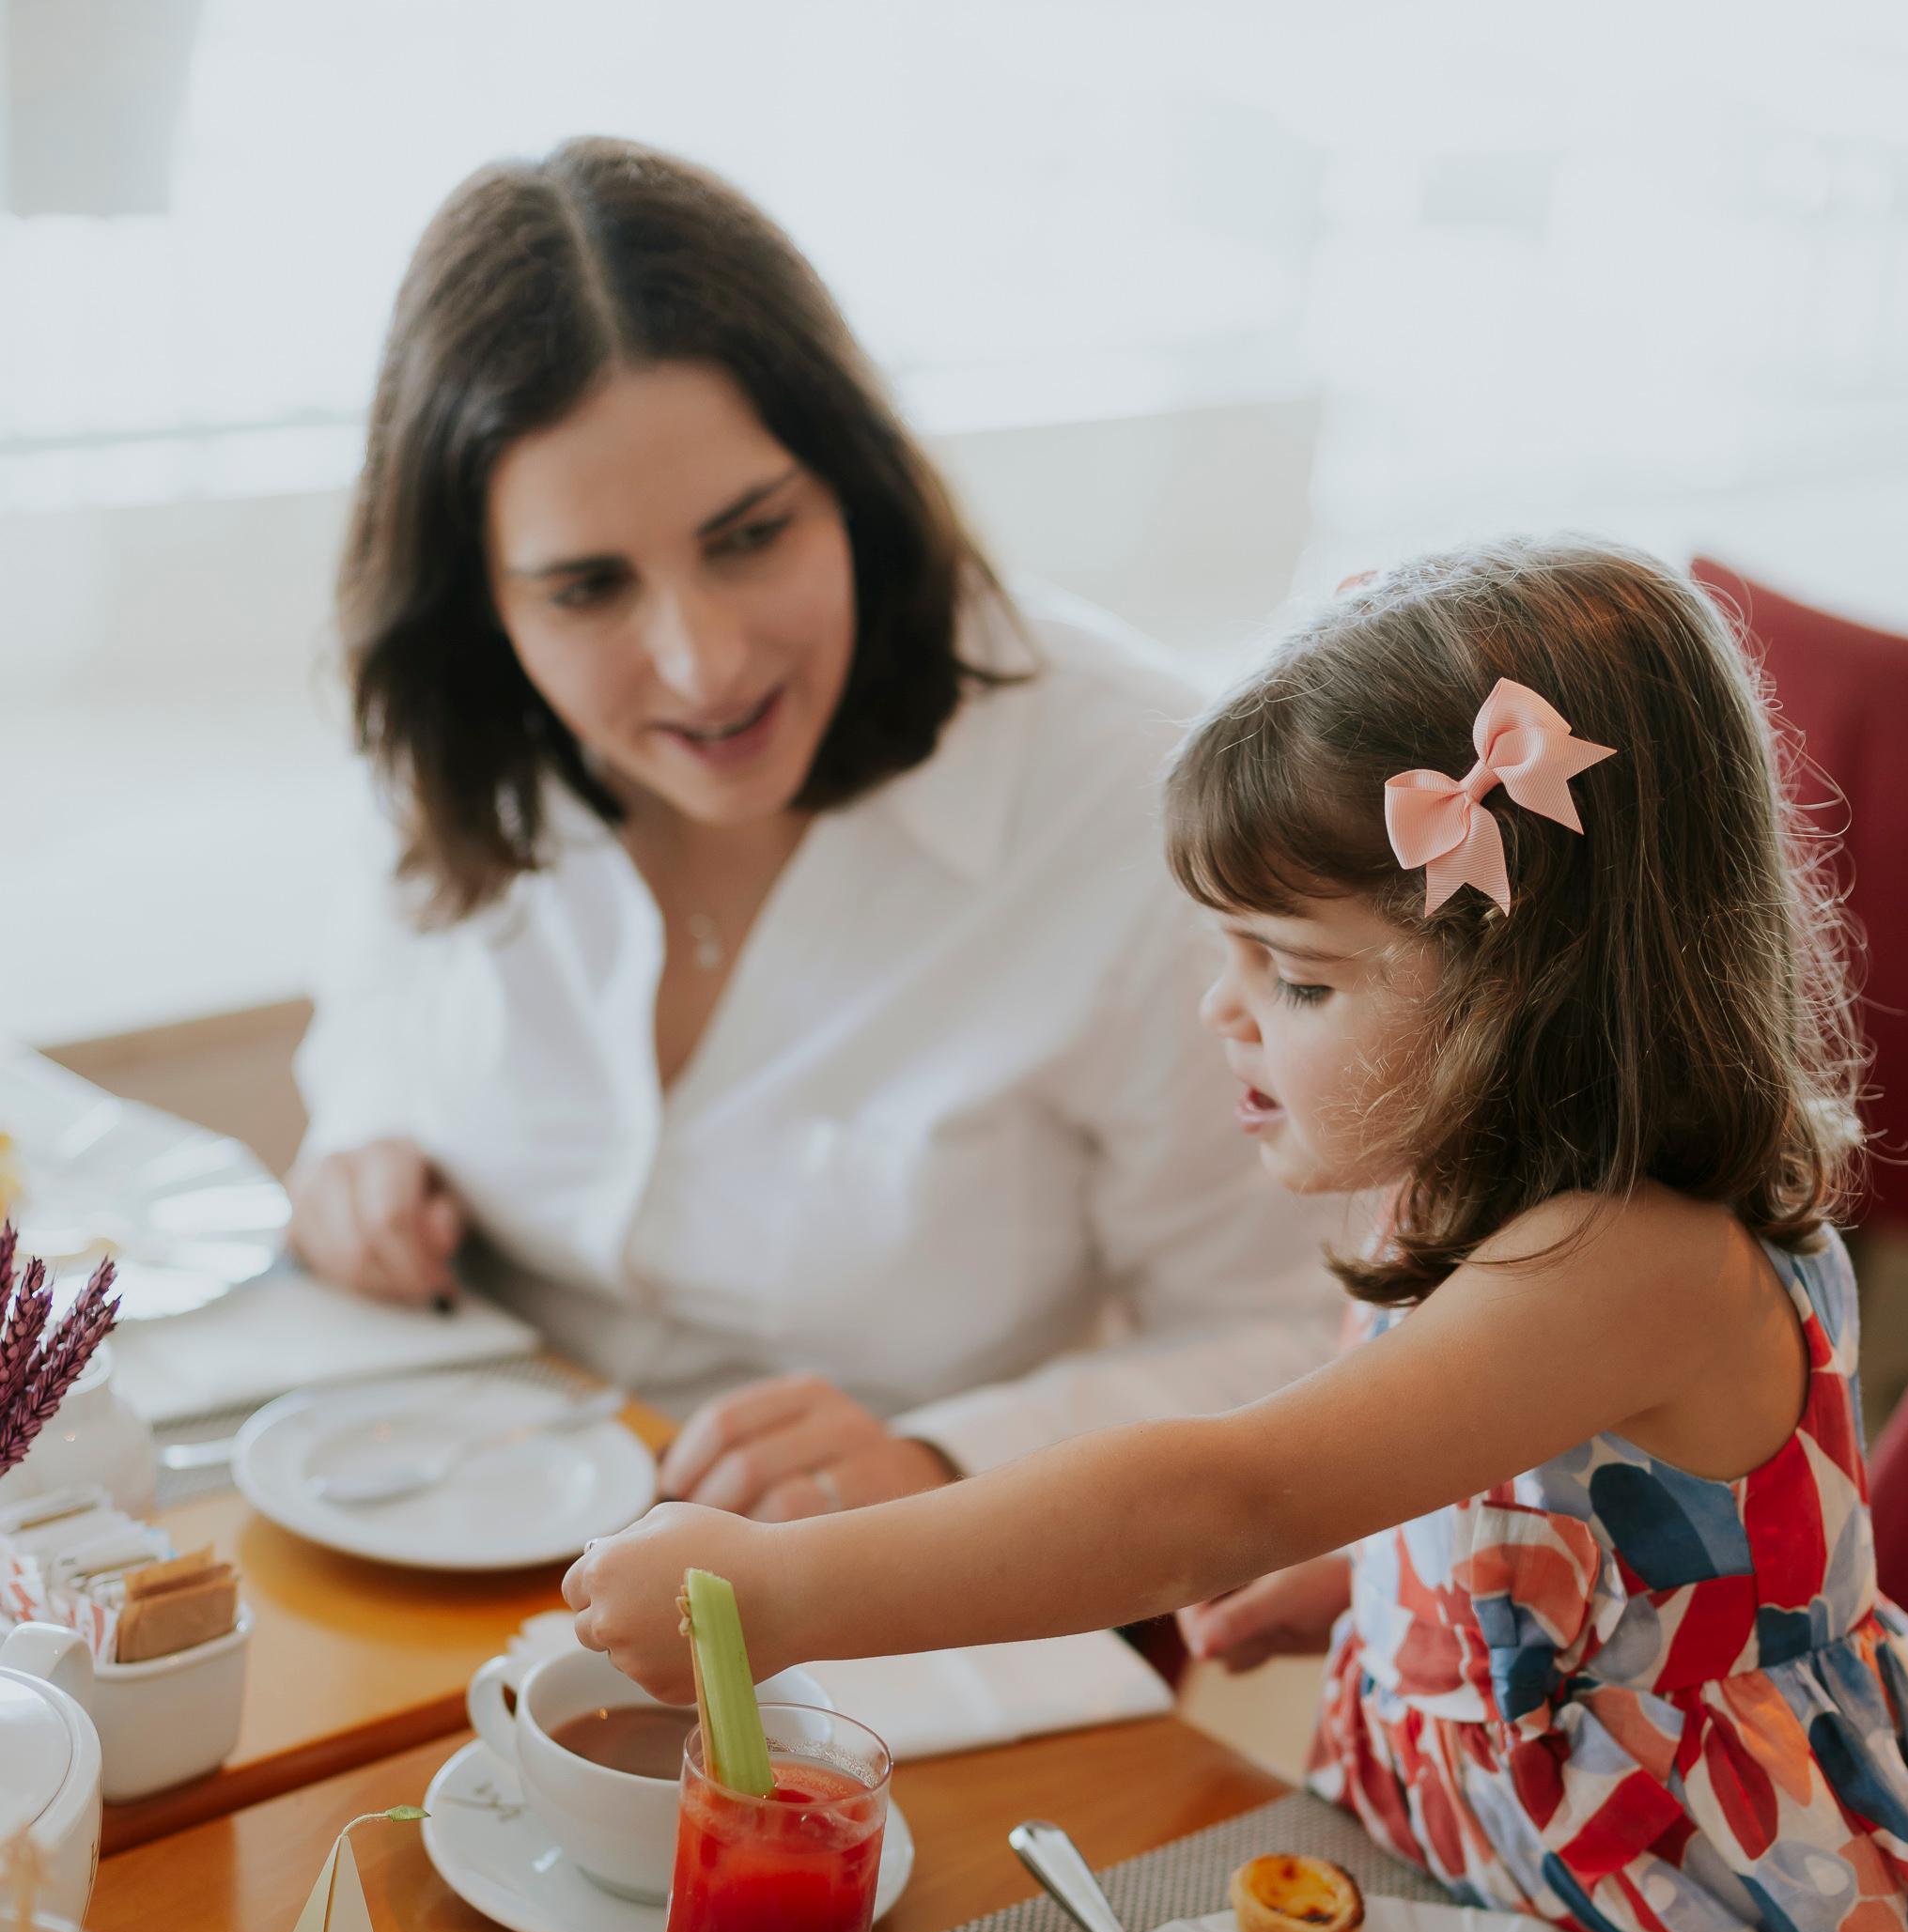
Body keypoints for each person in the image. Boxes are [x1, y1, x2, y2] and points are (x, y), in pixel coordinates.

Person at [563, 537, 1908, 1932]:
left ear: (1534, 995)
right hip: (1502, 1899)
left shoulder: (1628, 1261)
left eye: (1297, 976)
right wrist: (1378, 1581)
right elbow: (1572, 1513)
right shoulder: (1459, 1180)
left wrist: (782, 1592)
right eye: (1227, 952)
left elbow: (1225, 1491)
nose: (1221, 1013)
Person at [289, 138, 1338, 1521]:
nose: (703, 664)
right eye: (588, 590)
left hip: (900, 1598)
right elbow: (372, 1049)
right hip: (454, 1515)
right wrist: (353, 1162)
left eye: (749, 537)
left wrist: (944, 1461)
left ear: (849, 482)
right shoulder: (457, 745)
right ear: (481, 607)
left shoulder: (1133, 799)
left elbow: (1292, 1340)